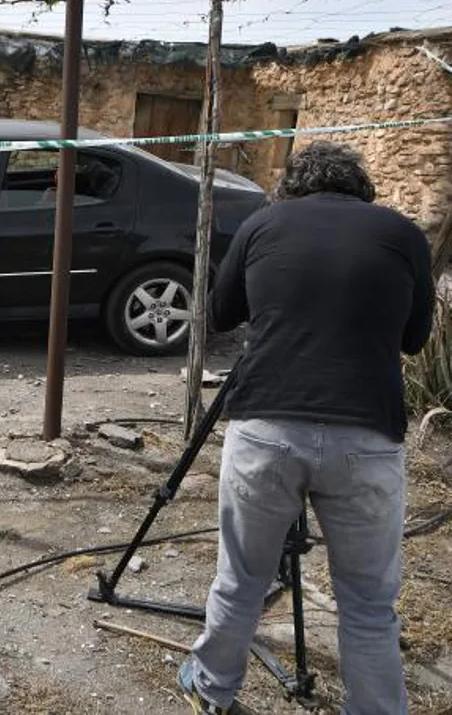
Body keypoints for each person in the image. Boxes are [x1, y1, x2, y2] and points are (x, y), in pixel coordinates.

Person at [179, 141, 434, 715]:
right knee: (368, 604)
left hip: (266, 425)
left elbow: (219, 313)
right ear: (360, 186)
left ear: (291, 186)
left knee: (242, 578)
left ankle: (213, 689)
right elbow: (414, 340)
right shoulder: (403, 235)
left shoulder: (264, 222)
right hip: (367, 437)